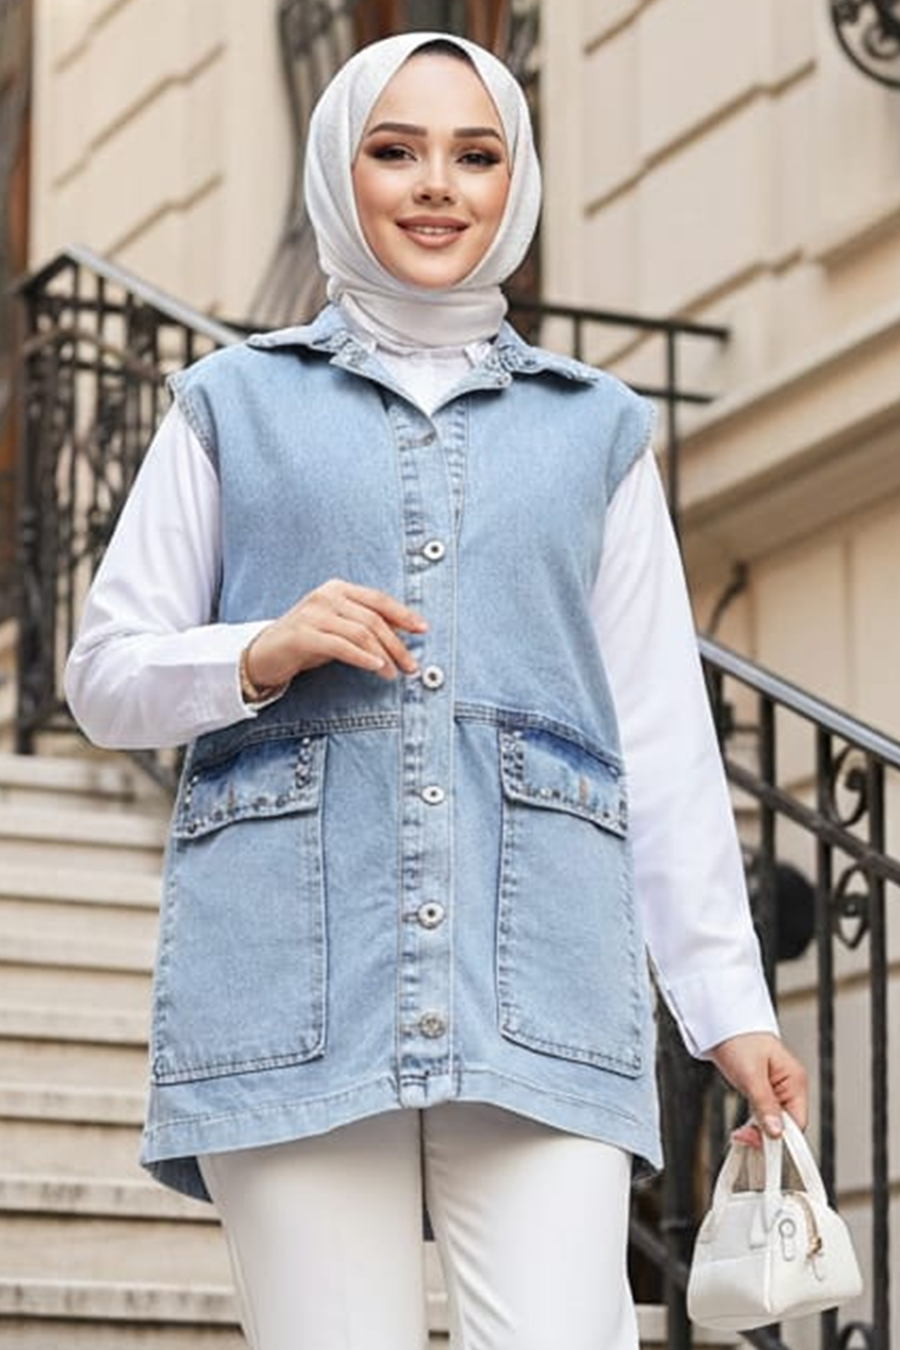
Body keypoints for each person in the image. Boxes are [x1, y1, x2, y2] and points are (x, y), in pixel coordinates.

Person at [64, 30, 807, 1350]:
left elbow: (660, 736)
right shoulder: (230, 405)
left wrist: (728, 1007)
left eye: (475, 154)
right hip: (289, 977)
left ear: (514, 182)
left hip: (543, 977)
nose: (435, 185)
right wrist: (258, 648)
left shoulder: (597, 430)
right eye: (395, 149)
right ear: (336, 170)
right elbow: (105, 675)